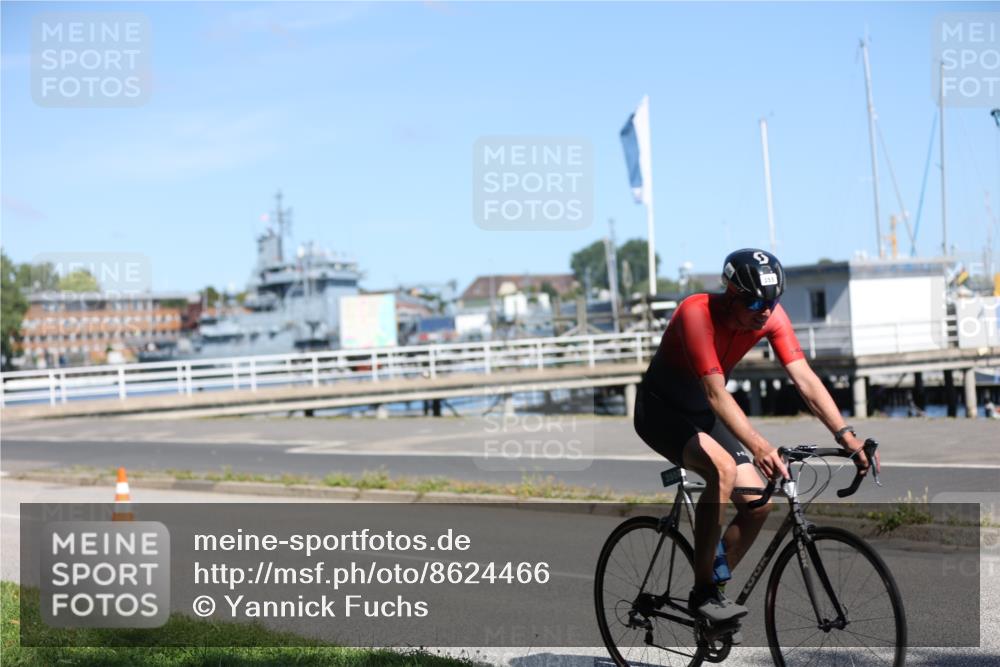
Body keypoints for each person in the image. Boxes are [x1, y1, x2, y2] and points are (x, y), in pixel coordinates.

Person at [633, 248, 879, 626]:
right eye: (753, 302)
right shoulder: (696, 313)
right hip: (661, 412)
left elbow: (804, 379)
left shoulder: (770, 316)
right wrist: (760, 446)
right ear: (730, 295)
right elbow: (716, 393)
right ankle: (702, 594)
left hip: (704, 414)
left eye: (771, 301)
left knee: (758, 504)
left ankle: (714, 591)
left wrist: (847, 436)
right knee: (722, 470)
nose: (764, 311)